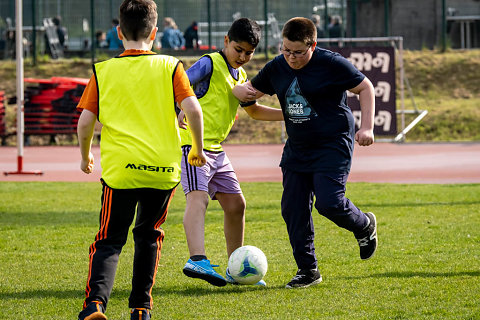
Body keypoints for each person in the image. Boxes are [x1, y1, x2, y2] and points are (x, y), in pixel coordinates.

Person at [76, 1, 206, 319]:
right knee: (149, 236)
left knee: (109, 239)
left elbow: (85, 121)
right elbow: (193, 109)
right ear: (155, 33)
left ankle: (95, 304)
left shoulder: (102, 70)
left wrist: (85, 154)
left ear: (119, 32)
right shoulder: (171, 66)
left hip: (121, 171)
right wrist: (198, 149)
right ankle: (140, 309)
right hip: (163, 170)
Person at [232, 17, 377, 289]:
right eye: (285, 50)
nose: (291, 57)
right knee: (293, 209)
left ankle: (364, 225)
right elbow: (250, 95)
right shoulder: (277, 66)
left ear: (313, 45)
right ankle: (308, 270)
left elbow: (365, 87)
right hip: (298, 147)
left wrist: (367, 127)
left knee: (329, 203)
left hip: (333, 143)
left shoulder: (331, 63)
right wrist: (240, 91)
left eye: (298, 52)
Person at [178, 17, 283, 287]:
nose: (243, 56)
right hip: (192, 144)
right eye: (238, 49)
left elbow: (254, 111)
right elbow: (179, 84)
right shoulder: (210, 63)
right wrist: (180, 107)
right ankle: (197, 259)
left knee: (237, 205)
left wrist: (288, 116)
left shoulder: (243, 76)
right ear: (226, 41)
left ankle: (234, 271)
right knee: (198, 199)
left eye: (249, 53)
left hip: (217, 150)